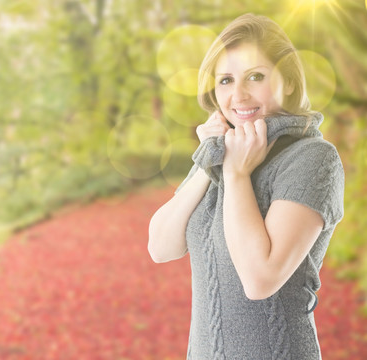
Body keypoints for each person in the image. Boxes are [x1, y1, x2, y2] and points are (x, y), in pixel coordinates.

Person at [148, 13, 345, 360]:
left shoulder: (312, 159)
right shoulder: (223, 155)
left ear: (288, 81)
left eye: (255, 76)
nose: (238, 95)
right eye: (225, 80)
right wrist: (208, 158)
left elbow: (260, 280)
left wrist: (238, 176)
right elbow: (161, 247)